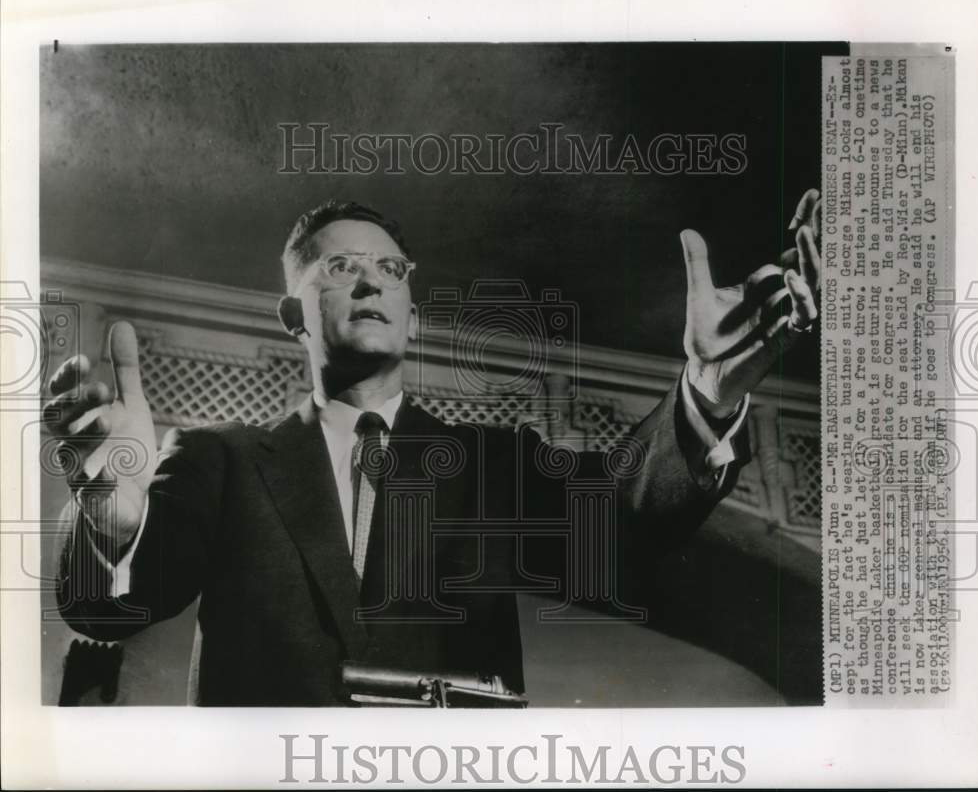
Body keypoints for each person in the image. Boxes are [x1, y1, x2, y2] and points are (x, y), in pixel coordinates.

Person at [47, 193, 821, 706]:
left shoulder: (493, 466)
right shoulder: (221, 457)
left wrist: (708, 391)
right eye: (341, 268)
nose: (370, 284)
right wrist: (112, 529)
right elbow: (108, 611)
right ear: (292, 313)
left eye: (390, 269)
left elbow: (624, 521)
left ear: (410, 307)